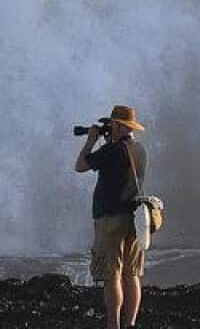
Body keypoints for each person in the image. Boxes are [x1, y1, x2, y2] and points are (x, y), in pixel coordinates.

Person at [74, 104, 148, 329]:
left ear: (117, 125)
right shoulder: (140, 149)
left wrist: (91, 140)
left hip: (110, 220)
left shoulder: (111, 151)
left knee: (111, 276)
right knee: (131, 274)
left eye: (111, 125)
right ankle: (131, 323)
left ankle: (113, 324)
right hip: (134, 219)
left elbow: (80, 166)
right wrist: (108, 141)